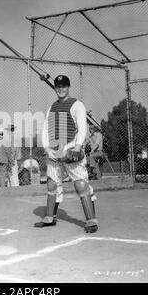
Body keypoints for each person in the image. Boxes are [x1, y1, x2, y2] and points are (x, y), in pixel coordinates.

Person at [35, 75, 98, 233]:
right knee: (52, 184)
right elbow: (46, 130)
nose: (60, 89)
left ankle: (91, 220)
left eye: (63, 86)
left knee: (81, 184)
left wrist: (77, 148)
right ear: (55, 88)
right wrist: (47, 149)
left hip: (70, 149)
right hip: (55, 151)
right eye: (58, 86)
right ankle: (50, 217)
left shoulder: (77, 105)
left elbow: (82, 128)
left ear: (68, 87)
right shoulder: (52, 106)